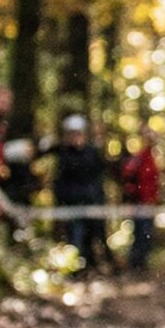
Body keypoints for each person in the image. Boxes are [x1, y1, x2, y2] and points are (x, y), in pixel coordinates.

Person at [50, 114, 111, 272]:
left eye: (78, 133)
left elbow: (99, 176)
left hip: (93, 205)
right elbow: (60, 182)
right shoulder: (64, 155)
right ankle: (77, 269)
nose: (76, 137)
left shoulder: (92, 153)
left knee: (96, 236)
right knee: (76, 238)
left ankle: (96, 266)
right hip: (73, 206)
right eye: (72, 134)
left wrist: (99, 199)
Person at [119, 131, 161, 271]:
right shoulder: (139, 159)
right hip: (140, 204)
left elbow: (153, 183)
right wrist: (131, 201)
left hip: (149, 204)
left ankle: (140, 264)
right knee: (140, 235)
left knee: (146, 236)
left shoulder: (151, 158)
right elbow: (129, 180)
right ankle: (135, 264)